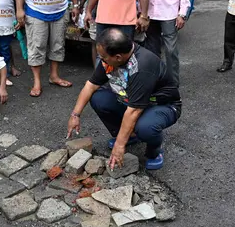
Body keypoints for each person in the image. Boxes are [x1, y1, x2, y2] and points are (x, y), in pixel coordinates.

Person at [66, 28, 182, 171]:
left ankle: (155, 151)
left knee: (145, 128)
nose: (101, 61)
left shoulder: (142, 66)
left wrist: (119, 145)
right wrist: (75, 115)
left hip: (162, 106)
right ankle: (132, 136)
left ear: (118, 57)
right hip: (131, 101)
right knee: (98, 98)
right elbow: (90, 86)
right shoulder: (109, 60)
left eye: (103, 57)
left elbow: (134, 111)